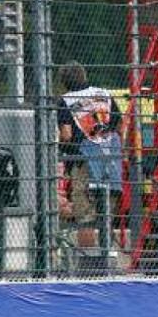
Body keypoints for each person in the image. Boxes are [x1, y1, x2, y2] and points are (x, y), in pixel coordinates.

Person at [57, 62, 124, 251]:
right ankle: (106, 255)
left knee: (85, 216)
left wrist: (61, 152)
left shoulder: (66, 101)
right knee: (106, 214)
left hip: (83, 161)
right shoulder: (104, 94)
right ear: (84, 76)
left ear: (64, 82)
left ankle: (89, 263)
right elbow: (119, 125)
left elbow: (66, 135)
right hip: (109, 160)